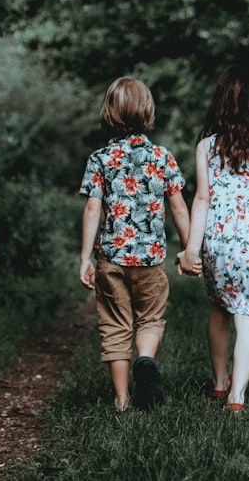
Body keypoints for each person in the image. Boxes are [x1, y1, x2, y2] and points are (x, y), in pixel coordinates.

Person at [177, 66, 249, 414]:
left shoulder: (207, 147)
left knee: (219, 308)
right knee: (248, 316)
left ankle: (217, 382)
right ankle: (237, 395)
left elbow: (201, 199)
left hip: (218, 239)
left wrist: (192, 249)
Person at [79, 76, 190, 411]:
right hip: (151, 258)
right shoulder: (162, 157)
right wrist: (188, 249)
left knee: (114, 325)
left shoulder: (100, 158)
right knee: (150, 319)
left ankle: (122, 399)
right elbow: (179, 206)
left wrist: (85, 257)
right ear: (148, 111)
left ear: (109, 112)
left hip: (111, 258)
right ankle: (145, 359)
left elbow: (92, 209)